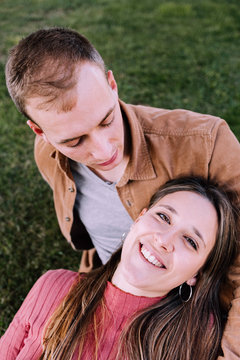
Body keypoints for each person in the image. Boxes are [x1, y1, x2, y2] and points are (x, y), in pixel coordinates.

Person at [5, 28, 240, 357]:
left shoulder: (206, 143)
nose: (102, 151)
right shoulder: (47, 155)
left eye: (106, 120)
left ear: (112, 85)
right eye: (75, 141)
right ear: (40, 131)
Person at [0, 177, 238, 360]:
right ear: (139, 219)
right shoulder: (53, 285)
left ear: (196, 273)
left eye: (191, 241)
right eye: (164, 217)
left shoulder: (194, 337)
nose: (164, 240)